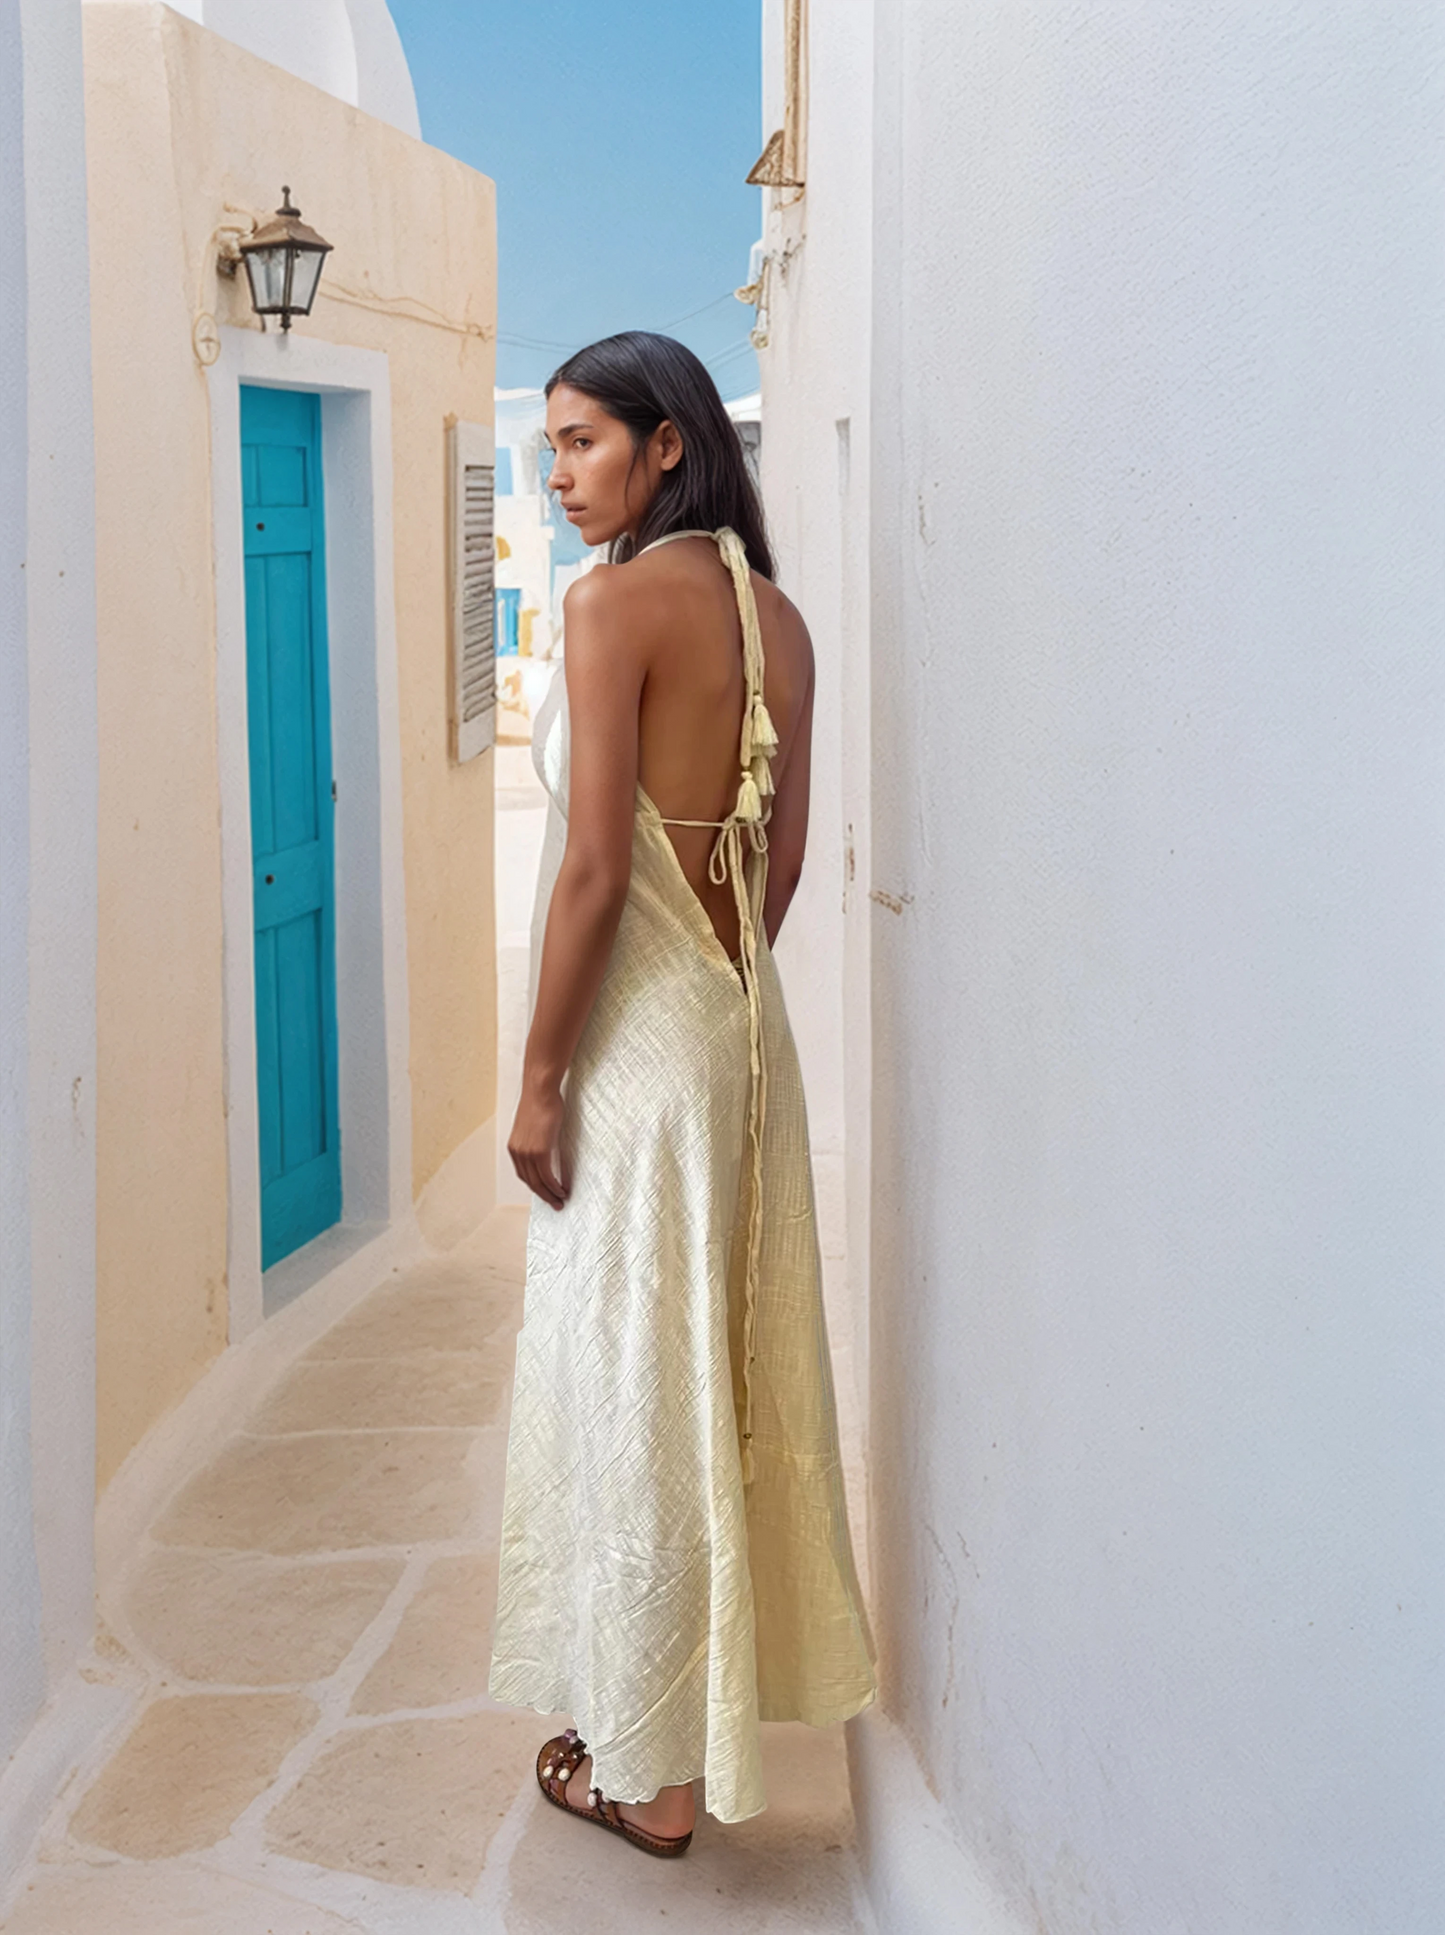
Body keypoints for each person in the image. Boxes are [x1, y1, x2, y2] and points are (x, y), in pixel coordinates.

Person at [487, 332, 876, 1860]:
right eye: (553, 447)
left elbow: (593, 866)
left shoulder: (609, 605)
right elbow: (770, 870)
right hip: (736, 1036)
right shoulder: (780, 621)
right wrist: (709, 998)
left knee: (639, 1391)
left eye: (583, 442)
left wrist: (538, 1080)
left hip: (638, 1060)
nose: (560, 473)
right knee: (720, 1375)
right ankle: (685, 1727)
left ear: (666, 444)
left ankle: (650, 1780)